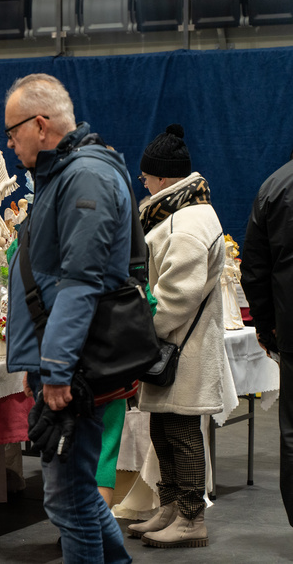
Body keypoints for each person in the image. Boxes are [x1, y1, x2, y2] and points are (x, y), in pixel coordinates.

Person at [4, 73, 132, 563]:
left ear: (40, 124)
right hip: (64, 360)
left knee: (66, 497)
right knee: (75, 489)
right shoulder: (68, 173)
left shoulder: (84, 176)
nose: (11, 144)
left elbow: (82, 281)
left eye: (13, 132)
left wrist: (55, 367)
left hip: (75, 366)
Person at [126, 124, 228, 548]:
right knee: (163, 430)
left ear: (164, 179)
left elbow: (176, 296)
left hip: (181, 347)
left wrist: (140, 330)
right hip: (176, 347)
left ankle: (191, 519)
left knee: (183, 433)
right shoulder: (179, 214)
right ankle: (170, 507)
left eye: (147, 176)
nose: (143, 182)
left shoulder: (186, 223)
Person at [240, 155, 293, 528]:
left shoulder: (274, 186)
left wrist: (265, 326)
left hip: (291, 329)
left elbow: (255, 268)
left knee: (292, 431)